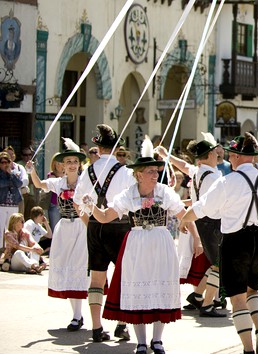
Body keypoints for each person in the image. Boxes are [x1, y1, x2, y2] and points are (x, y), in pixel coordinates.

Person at [87, 138, 195, 354]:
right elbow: (106, 217)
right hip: (137, 245)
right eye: (150, 171)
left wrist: (197, 236)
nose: (155, 175)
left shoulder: (165, 192)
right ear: (138, 174)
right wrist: (91, 206)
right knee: (137, 290)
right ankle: (141, 342)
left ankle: (157, 340)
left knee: (160, 289)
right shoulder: (128, 194)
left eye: (156, 170)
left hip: (161, 243)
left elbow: (184, 215)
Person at [183, 133, 258, 354]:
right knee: (253, 290)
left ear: (239, 156)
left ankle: (248, 349)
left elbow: (203, 208)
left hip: (235, 241)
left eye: (231, 153)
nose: (229, 157)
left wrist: (184, 218)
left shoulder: (227, 181)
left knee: (237, 298)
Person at [73, 124, 136, 342]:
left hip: (94, 226)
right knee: (124, 276)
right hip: (119, 225)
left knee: (96, 278)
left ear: (98, 148)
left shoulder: (87, 171)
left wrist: (89, 222)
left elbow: (76, 201)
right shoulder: (126, 172)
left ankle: (96, 328)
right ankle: (121, 324)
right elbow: (133, 202)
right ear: (117, 147)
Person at [157, 133, 226, 317]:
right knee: (220, 264)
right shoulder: (212, 177)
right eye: (214, 152)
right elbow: (216, 201)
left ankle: (197, 295)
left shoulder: (199, 171)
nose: (217, 154)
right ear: (210, 155)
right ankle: (208, 304)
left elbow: (183, 165)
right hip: (213, 222)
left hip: (202, 221)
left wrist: (166, 156)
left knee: (216, 264)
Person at [27, 140, 89, 331]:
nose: (71, 164)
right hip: (64, 227)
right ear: (62, 164)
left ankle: (79, 316)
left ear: (79, 164)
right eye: (68, 161)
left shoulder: (86, 182)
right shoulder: (58, 182)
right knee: (67, 267)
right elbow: (38, 184)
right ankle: (76, 316)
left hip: (82, 226)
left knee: (79, 267)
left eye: (75, 161)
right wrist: (31, 171)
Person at [0, 151, 24, 250]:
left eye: (7, 162)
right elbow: (1, 184)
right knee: (1, 228)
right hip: (1, 204)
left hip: (13, 204)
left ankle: (9, 249)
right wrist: (10, 181)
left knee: (11, 228)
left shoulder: (13, 173)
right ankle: (1, 248)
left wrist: (11, 175)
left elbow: (19, 184)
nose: (5, 164)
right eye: (2, 162)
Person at [46, 156, 66, 230]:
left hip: (65, 205)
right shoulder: (51, 175)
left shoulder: (67, 175)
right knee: (55, 228)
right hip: (55, 205)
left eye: (61, 163)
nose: (60, 165)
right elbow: (58, 184)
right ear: (54, 165)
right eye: (57, 163)